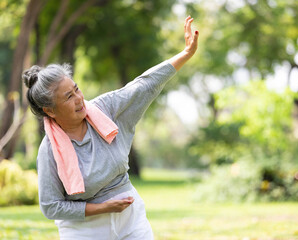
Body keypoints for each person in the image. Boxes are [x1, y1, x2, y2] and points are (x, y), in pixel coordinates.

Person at [23, 16, 198, 240]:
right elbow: (50, 206)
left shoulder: (104, 109)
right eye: (68, 97)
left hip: (130, 218)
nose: (79, 99)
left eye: (76, 89)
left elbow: (143, 85)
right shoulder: (49, 150)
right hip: (84, 230)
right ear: (50, 110)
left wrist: (185, 54)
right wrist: (102, 208)